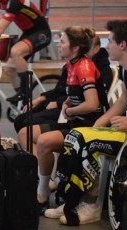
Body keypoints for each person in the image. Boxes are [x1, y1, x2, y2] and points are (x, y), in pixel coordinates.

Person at [48, 19, 127, 226]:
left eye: (110, 40)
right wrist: (98, 123)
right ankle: (73, 200)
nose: (106, 45)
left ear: (122, 45)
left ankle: (92, 205)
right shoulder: (126, 69)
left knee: (87, 142)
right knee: (78, 135)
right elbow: (124, 101)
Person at [17, 27, 108, 211]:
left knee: (43, 141)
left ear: (75, 48)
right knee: (25, 133)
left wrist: (70, 111)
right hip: (75, 122)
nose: (58, 45)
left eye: (62, 42)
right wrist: (66, 103)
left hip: (89, 127)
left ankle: (42, 193)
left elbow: (92, 104)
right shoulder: (71, 65)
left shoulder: (84, 67)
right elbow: (73, 93)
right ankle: (47, 179)